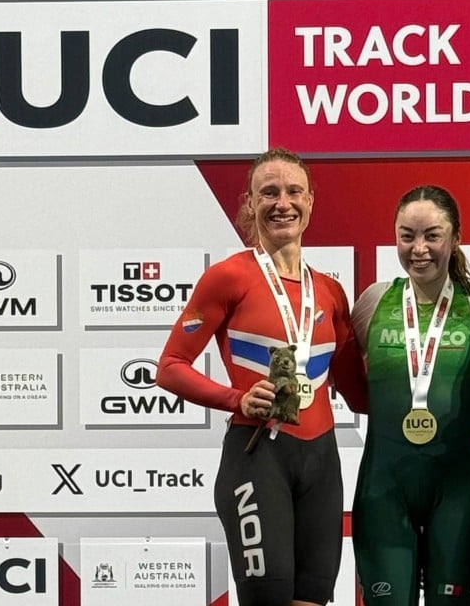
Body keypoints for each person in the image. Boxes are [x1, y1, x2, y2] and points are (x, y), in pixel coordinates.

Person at [157, 147, 368, 606]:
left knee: (312, 599)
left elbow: (360, 394)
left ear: (311, 200)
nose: (282, 203)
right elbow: (169, 368)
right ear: (250, 204)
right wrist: (237, 399)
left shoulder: (330, 291)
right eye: (268, 193)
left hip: (322, 462)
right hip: (257, 458)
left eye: (294, 191)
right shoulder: (228, 277)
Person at [350, 185, 470, 606]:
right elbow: (336, 375)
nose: (419, 248)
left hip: (458, 487)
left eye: (433, 235)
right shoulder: (373, 301)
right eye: (407, 235)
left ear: (455, 238)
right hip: (384, 487)